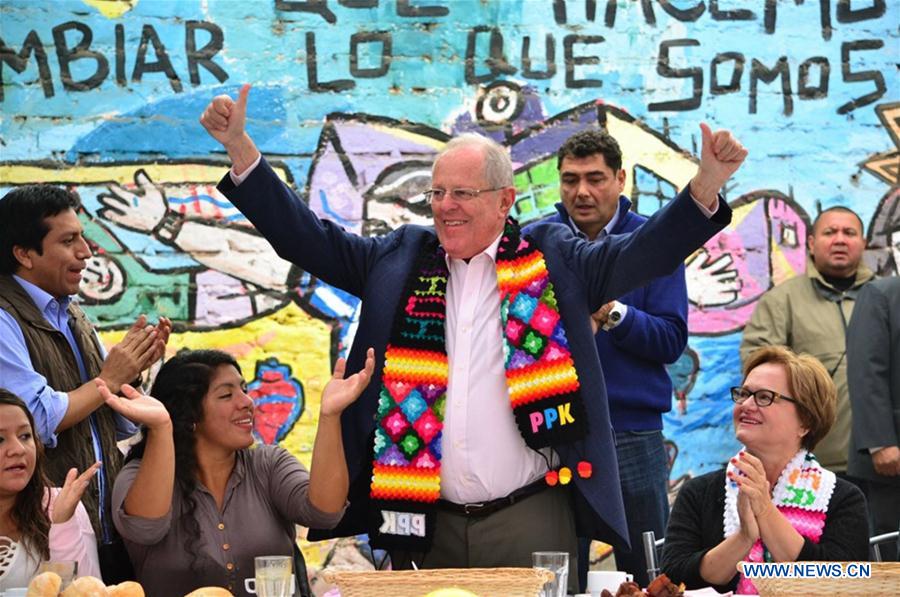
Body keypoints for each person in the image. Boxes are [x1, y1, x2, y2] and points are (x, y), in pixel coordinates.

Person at [199, 84, 745, 587]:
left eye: (462, 193)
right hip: (421, 521)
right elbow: (307, 240)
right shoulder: (401, 259)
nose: (445, 206)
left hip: (529, 518)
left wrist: (706, 187)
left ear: (505, 201)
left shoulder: (553, 258)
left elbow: (640, 253)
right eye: (437, 193)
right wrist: (242, 150)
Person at [531, 130, 686, 588]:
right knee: (559, 572)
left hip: (633, 433)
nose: (582, 191)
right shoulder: (538, 242)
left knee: (649, 569)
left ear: (620, 179)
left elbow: (671, 340)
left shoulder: (653, 243)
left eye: (595, 178)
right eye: (570, 179)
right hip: (558, 428)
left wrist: (613, 313)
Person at [0, 185, 171, 582]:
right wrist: (109, 378)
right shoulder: (5, 317)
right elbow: (37, 421)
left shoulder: (72, 313)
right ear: (24, 254)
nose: (86, 252)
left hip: (104, 528)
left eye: (82, 237)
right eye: (68, 240)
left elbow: (111, 417)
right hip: (44, 538)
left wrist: (133, 375)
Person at [104, 347, 374, 597]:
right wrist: (162, 427)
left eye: (244, 390)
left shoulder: (268, 464)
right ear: (189, 416)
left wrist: (330, 416)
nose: (247, 402)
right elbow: (144, 529)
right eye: (226, 395)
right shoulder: (137, 476)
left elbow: (325, 513)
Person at [661, 346, 869, 594]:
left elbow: (842, 585)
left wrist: (765, 510)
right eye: (744, 394)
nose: (747, 404)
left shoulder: (843, 498)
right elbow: (674, 579)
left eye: (764, 397)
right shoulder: (699, 492)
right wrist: (744, 538)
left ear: (805, 421)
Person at [740, 206, 873, 474]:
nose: (839, 239)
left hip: (883, 457)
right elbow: (758, 368)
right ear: (811, 243)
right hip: (812, 460)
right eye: (829, 232)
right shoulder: (783, 300)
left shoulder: (885, 299)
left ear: (863, 243)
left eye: (849, 233)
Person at [0, 388, 102, 590]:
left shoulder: (58, 503)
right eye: (0, 439)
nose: (18, 449)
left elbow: (87, 592)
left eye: (25, 436)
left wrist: (63, 524)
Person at [847, 277, 900, 561]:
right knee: (888, 551)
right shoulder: (881, 294)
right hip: (890, 458)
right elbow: (866, 371)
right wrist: (880, 443)